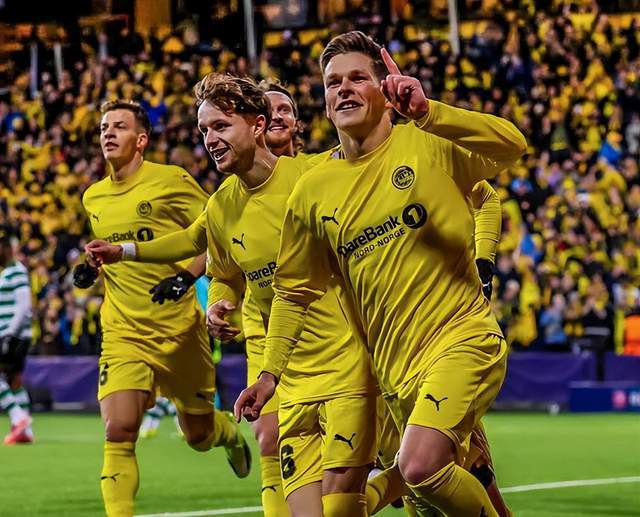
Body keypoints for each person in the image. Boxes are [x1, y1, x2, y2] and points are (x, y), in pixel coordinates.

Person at [236, 31, 526, 516]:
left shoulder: (428, 144)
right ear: (325, 103)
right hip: (393, 375)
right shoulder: (313, 191)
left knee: (420, 465)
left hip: (461, 340)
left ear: (386, 90)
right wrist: (269, 375)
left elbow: (511, 146)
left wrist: (429, 112)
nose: (344, 89)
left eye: (358, 78)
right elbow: (293, 292)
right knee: (424, 494)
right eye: (333, 83)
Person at [86, 74, 378, 517]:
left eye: (220, 126)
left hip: (348, 365)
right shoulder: (223, 204)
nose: (209, 139)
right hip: (281, 367)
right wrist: (220, 298)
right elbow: (209, 257)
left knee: (376, 489)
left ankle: (403, 479)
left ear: (257, 126)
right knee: (271, 448)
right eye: (204, 130)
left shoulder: (315, 176)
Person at [78, 100, 250, 517]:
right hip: (123, 332)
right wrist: (89, 268)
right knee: (119, 430)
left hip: (179, 331)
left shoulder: (170, 181)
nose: (108, 133)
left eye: (119, 126)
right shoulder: (93, 197)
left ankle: (228, 434)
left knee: (198, 435)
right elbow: (112, 254)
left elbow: (214, 231)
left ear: (141, 139)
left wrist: (187, 277)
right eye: (104, 127)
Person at [0, 226, 34, 445]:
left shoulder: (16, 271)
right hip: (15, 334)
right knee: (14, 379)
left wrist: (10, 334)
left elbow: (24, 305)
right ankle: (25, 431)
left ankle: (18, 417)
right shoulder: (8, 272)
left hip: (12, 334)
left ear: (5, 249)